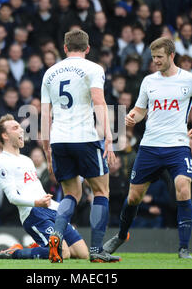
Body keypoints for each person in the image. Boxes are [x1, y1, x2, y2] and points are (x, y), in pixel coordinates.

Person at [103, 37, 192, 259]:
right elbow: (140, 109)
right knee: (134, 197)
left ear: (171, 56)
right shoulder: (148, 81)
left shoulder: (190, 80)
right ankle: (121, 235)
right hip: (150, 147)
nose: (155, 61)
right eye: (154, 57)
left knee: (183, 187)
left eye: (159, 57)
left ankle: (184, 248)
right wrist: (132, 117)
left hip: (178, 146)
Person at [40, 29, 117, 263]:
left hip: (59, 140)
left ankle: (56, 236)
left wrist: (47, 149)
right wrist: (108, 136)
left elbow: (44, 114)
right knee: (101, 191)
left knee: (71, 193)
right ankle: (96, 251)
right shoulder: (93, 69)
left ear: (64, 48)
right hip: (84, 137)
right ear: (87, 48)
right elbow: (98, 101)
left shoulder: (50, 73)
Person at [0, 114, 89, 261]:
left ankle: (38, 248)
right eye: (15, 128)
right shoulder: (3, 162)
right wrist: (37, 203)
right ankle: (15, 253)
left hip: (50, 208)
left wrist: (56, 206)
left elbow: (36, 189)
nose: (21, 130)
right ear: (5, 135)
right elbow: (12, 198)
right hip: (33, 213)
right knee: (63, 253)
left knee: (83, 254)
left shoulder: (27, 160)